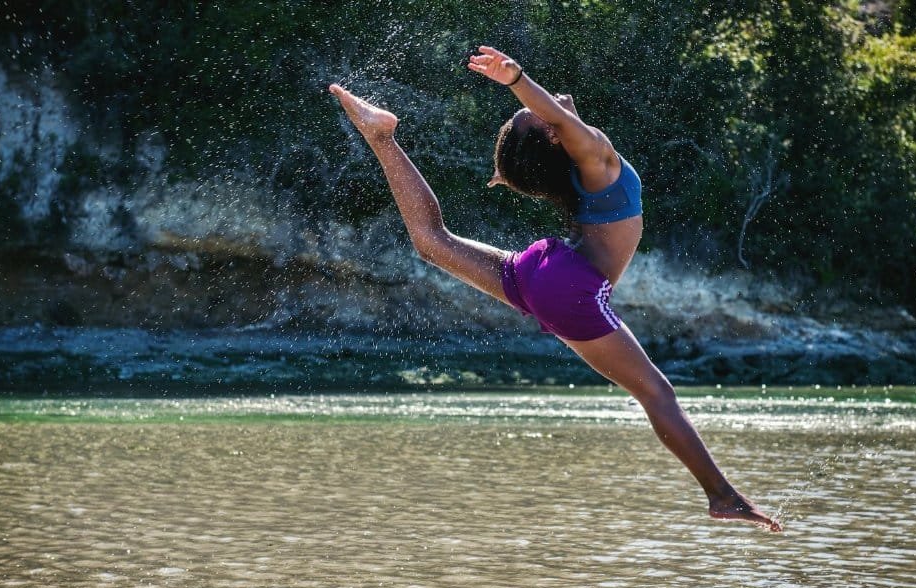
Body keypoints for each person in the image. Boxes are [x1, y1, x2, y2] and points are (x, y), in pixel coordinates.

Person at [329, 45, 781, 532]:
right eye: (534, 113)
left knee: (433, 242)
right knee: (656, 392)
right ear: (552, 132)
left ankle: (381, 138)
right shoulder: (595, 157)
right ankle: (722, 496)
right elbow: (558, 121)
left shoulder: (582, 173)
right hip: (567, 284)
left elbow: (548, 132)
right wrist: (516, 80)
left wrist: (518, 131)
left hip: (543, 268)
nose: (544, 103)